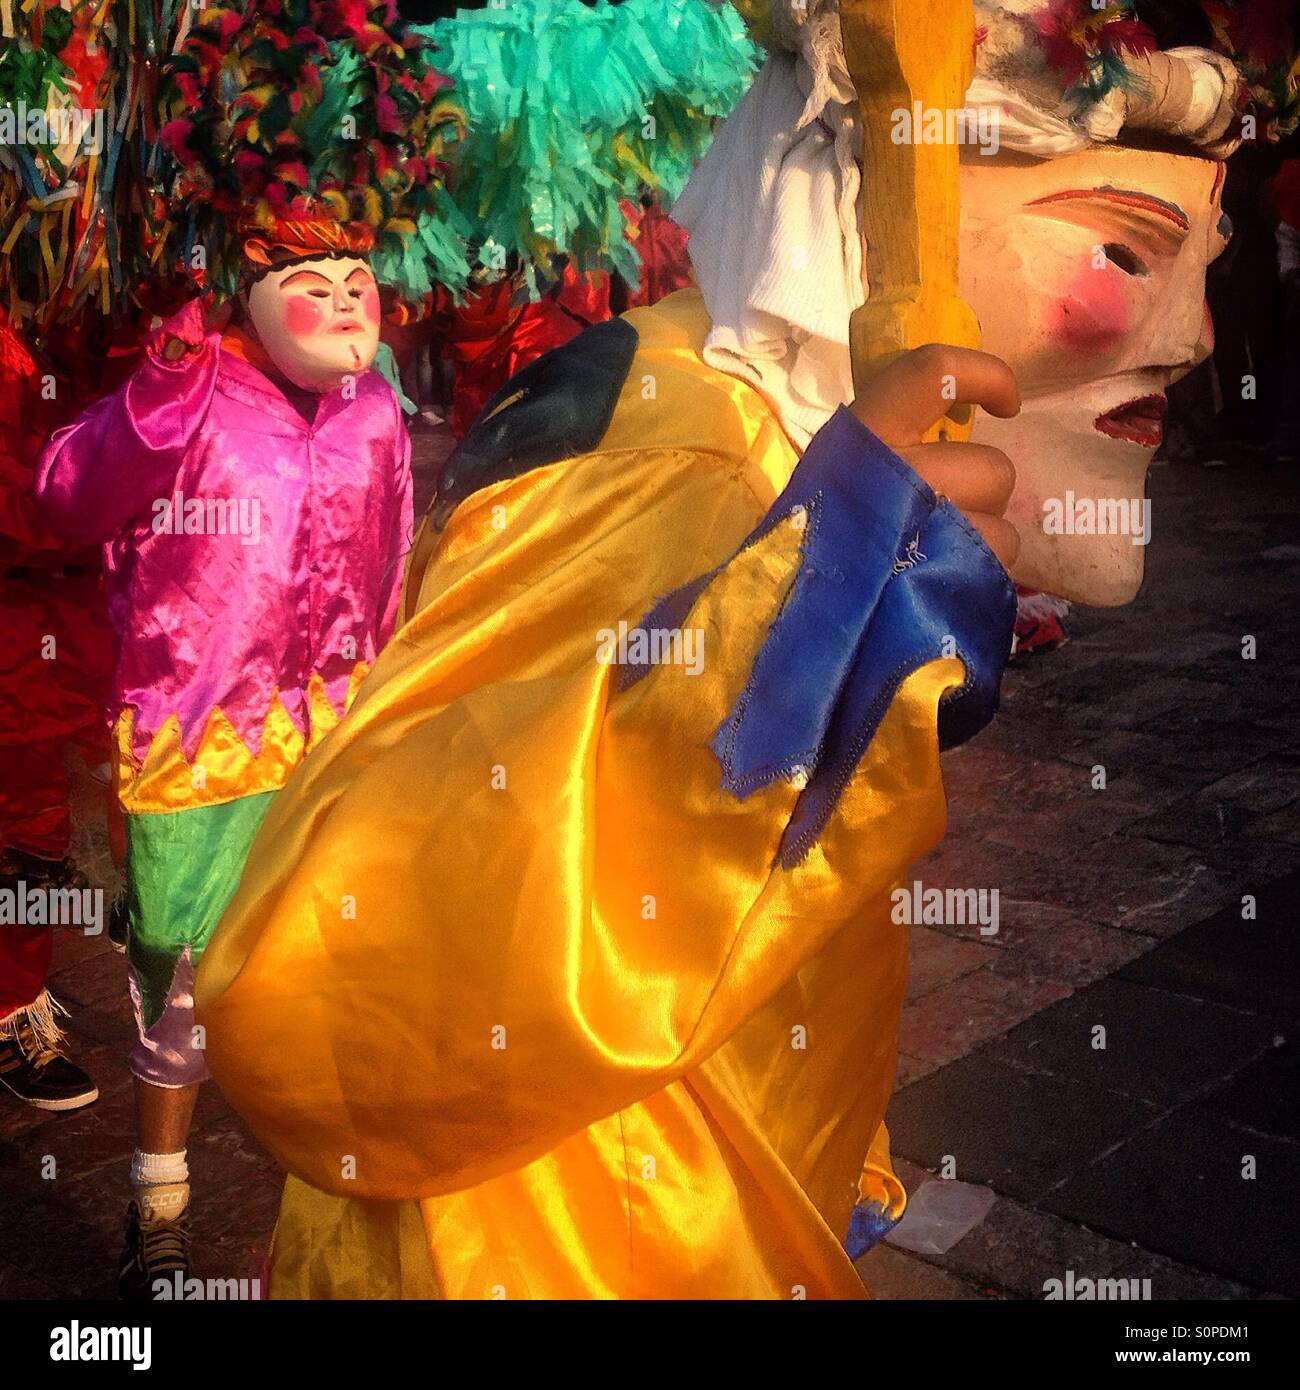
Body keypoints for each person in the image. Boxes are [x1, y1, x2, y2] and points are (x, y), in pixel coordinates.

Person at [195, 0, 1248, 1298]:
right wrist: (800, 632)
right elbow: (328, 1001)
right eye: (1125, 255)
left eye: (1213, 255)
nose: (1198, 338)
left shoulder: (765, 430)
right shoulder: (672, 464)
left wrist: (813, 1145)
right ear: (873, 212)